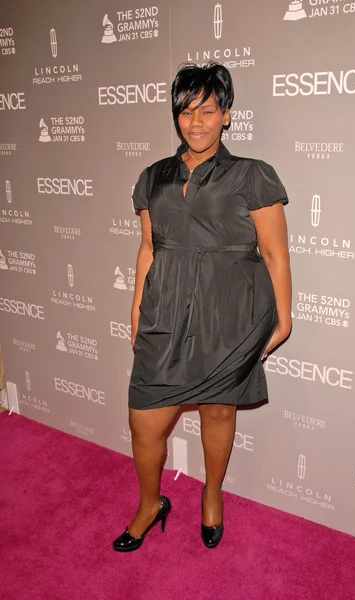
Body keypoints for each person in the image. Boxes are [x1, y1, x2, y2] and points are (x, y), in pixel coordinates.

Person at [113, 62, 292, 552]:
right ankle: (151, 503)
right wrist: (135, 311)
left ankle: (211, 496)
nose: (196, 122)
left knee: (217, 413)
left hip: (229, 315)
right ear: (176, 116)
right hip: (165, 313)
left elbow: (275, 254)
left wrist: (284, 315)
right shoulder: (153, 177)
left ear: (227, 115)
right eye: (186, 112)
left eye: (208, 110)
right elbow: (148, 249)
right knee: (143, 421)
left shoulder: (252, 175)